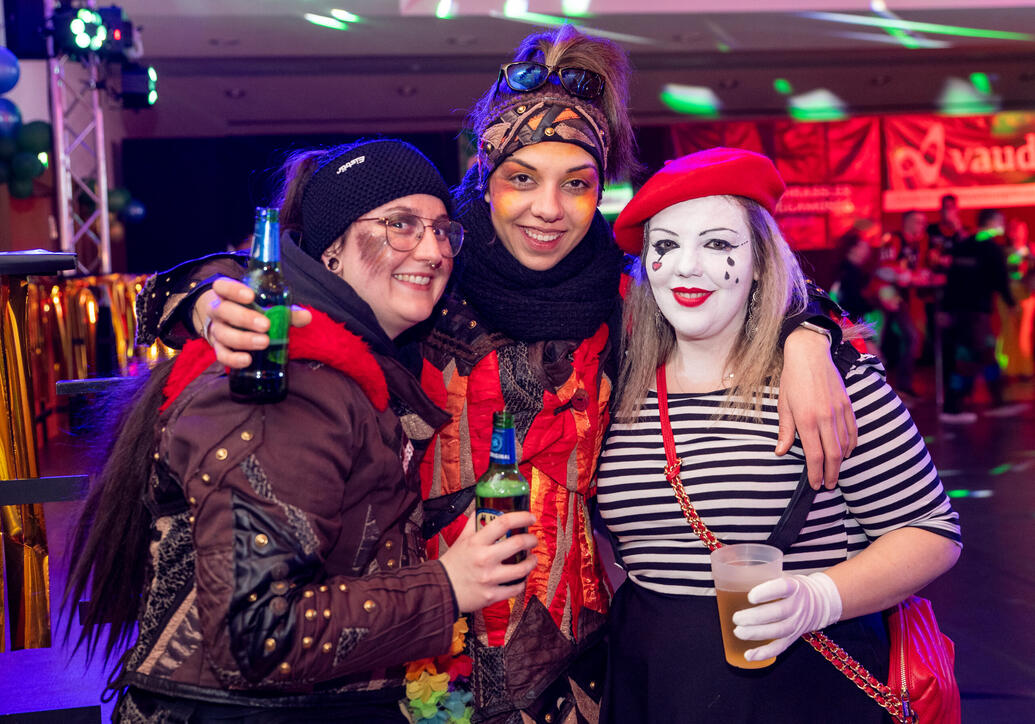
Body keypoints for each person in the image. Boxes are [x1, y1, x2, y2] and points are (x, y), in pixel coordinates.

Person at [131, 26, 859, 723]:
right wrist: (202, 301)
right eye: (521, 179)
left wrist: (807, 337)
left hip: (572, 661)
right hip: (413, 654)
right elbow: (259, 280)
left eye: (576, 184)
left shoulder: (626, 298)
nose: (548, 209)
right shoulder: (424, 283)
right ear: (484, 172)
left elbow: (746, 295)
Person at [65, 139, 538, 722]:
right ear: (331, 253)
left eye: (442, 230)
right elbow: (257, 636)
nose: (432, 248)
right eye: (400, 225)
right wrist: (447, 585)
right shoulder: (288, 381)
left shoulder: (367, 366)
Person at [599, 147, 961, 723]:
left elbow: (932, 531)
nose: (687, 265)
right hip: (654, 687)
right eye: (665, 245)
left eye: (718, 244)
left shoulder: (831, 382)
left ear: (762, 261)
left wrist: (818, 598)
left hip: (799, 689)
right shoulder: (618, 387)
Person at [940, 208, 1017, 422]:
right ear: (992, 222)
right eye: (1000, 221)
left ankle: (994, 400)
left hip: (960, 312)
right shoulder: (992, 248)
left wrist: (946, 309)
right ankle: (953, 407)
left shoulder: (963, 245)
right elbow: (1000, 279)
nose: (1002, 225)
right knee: (971, 358)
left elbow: (951, 281)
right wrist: (1011, 303)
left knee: (980, 355)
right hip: (977, 312)